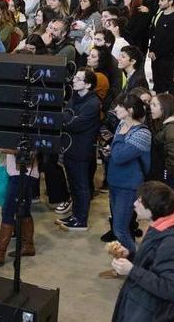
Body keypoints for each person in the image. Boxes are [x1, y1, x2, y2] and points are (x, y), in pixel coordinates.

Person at [110, 181, 174, 321]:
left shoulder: (173, 244)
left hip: (151, 312)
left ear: (152, 208)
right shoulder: (160, 227)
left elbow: (171, 289)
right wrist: (131, 256)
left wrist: (132, 270)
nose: (134, 204)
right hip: (142, 303)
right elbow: (154, 261)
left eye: (140, 201)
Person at [102, 94, 152, 279]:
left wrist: (117, 142)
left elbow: (121, 156)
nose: (115, 110)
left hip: (128, 185)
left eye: (119, 107)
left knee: (120, 229)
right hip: (115, 182)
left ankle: (136, 265)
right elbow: (117, 153)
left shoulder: (142, 133)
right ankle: (125, 263)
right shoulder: (122, 126)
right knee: (118, 226)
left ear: (130, 110)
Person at [55, 68, 102, 232]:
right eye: (75, 78)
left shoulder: (93, 104)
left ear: (88, 84)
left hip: (81, 151)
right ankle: (75, 215)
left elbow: (74, 123)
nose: (74, 81)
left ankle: (81, 220)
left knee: (81, 186)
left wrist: (67, 119)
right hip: (69, 148)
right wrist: (67, 118)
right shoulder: (75, 97)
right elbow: (66, 116)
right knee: (73, 185)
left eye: (78, 79)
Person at [149, 0, 174, 96]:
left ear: (171, 1)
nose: (159, 3)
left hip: (166, 58)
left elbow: (170, 41)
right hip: (155, 56)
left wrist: (157, 54)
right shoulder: (160, 14)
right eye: (159, 0)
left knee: (168, 83)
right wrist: (151, 50)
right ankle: (159, 106)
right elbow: (154, 34)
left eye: (162, 0)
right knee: (157, 82)